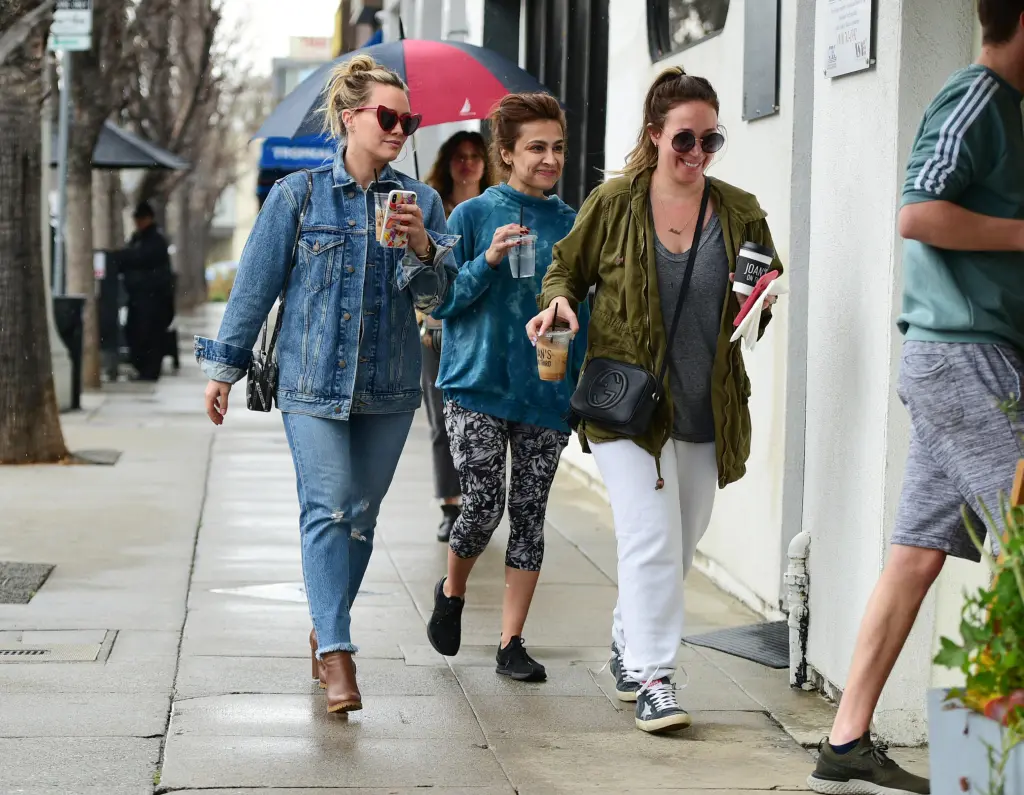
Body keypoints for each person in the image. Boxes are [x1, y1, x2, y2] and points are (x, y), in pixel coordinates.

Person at [194, 55, 457, 715]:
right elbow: (254, 285)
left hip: (390, 387)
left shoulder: (421, 202)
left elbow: (445, 298)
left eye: (408, 119)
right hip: (312, 382)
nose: (400, 128)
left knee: (362, 519)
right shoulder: (298, 195)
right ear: (350, 118)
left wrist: (423, 247)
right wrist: (222, 368)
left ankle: (324, 618)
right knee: (329, 504)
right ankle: (338, 651)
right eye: (387, 116)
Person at [807, 2, 1024, 792]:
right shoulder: (977, 97)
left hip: (964, 359)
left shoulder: (1013, 110)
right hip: (965, 357)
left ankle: (845, 740)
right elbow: (918, 211)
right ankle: (991, 769)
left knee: (914, 558)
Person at [527, 68, 781, 732]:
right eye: (684, 140)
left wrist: (760, 301)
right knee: (650, 540)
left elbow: (755, 302)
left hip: (705, 408)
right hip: (626, 409)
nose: (696, 154)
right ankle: (655, 677)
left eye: (710, 140)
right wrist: (557, 300)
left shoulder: (740, 211)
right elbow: (565, 268)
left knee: (679, 540)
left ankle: (625, 637)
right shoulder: (613, 204)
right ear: (655, 136)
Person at [425, 93, 589, 682]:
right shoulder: (470, 217)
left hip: (545, 390)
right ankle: (453, 591)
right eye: (537, 147)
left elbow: (586, 309)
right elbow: (440, 301)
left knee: (529, 514)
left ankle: (511, 643)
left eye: (558, 147)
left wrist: (580, 376)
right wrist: (487, 261)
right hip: (476, 384)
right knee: (482, 507)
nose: (550, 158)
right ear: (507, 153)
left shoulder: (573, 224)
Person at [419, 131, 494, 542]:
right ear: (447, 162)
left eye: (475, 156)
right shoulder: (431, 207)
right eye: (459, 157)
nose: (467, 163)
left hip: (482, 331)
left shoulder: (496, 208)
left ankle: (481, 502)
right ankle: (451, 505)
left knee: (482, 422)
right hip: (435, 331)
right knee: (440, 423)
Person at [110, 201, 175, 382]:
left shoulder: (155, 240)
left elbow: (139, 258)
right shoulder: (138, 239)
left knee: (150, 336)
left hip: (154, 299)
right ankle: (142, 368)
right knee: (136, 333)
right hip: (138, 298)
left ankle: (149, 370)